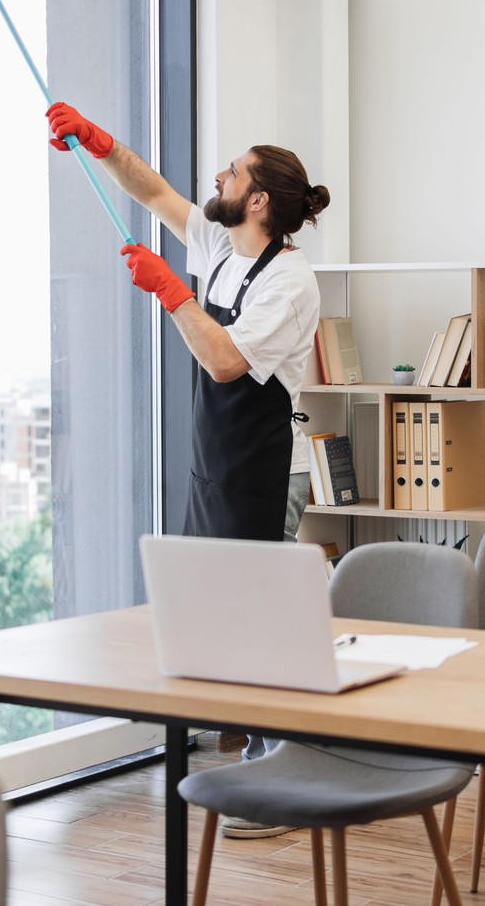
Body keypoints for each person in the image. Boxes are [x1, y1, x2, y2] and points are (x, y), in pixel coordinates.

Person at [47, 101, 324, 837]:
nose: (218, 178)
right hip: (216, 468)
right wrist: (98, 142)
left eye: (232, 172)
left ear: (258, 200)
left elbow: (227, 361)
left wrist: (173, 293)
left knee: (262, 630)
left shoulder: (290, 282)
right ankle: (261, 767)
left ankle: (283, 783)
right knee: (221, 623)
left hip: (269, 472)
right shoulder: (221, 246)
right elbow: (153, 191)